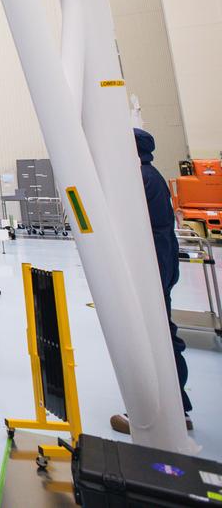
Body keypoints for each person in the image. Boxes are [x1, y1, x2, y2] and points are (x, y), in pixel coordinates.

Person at [111, 128, 193, 434]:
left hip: (152, 264)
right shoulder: (150, 176)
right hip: (158, 261)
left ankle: (165, 410)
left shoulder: (141, 179)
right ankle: (173, 406)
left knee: (155, 334)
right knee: (158, 332)